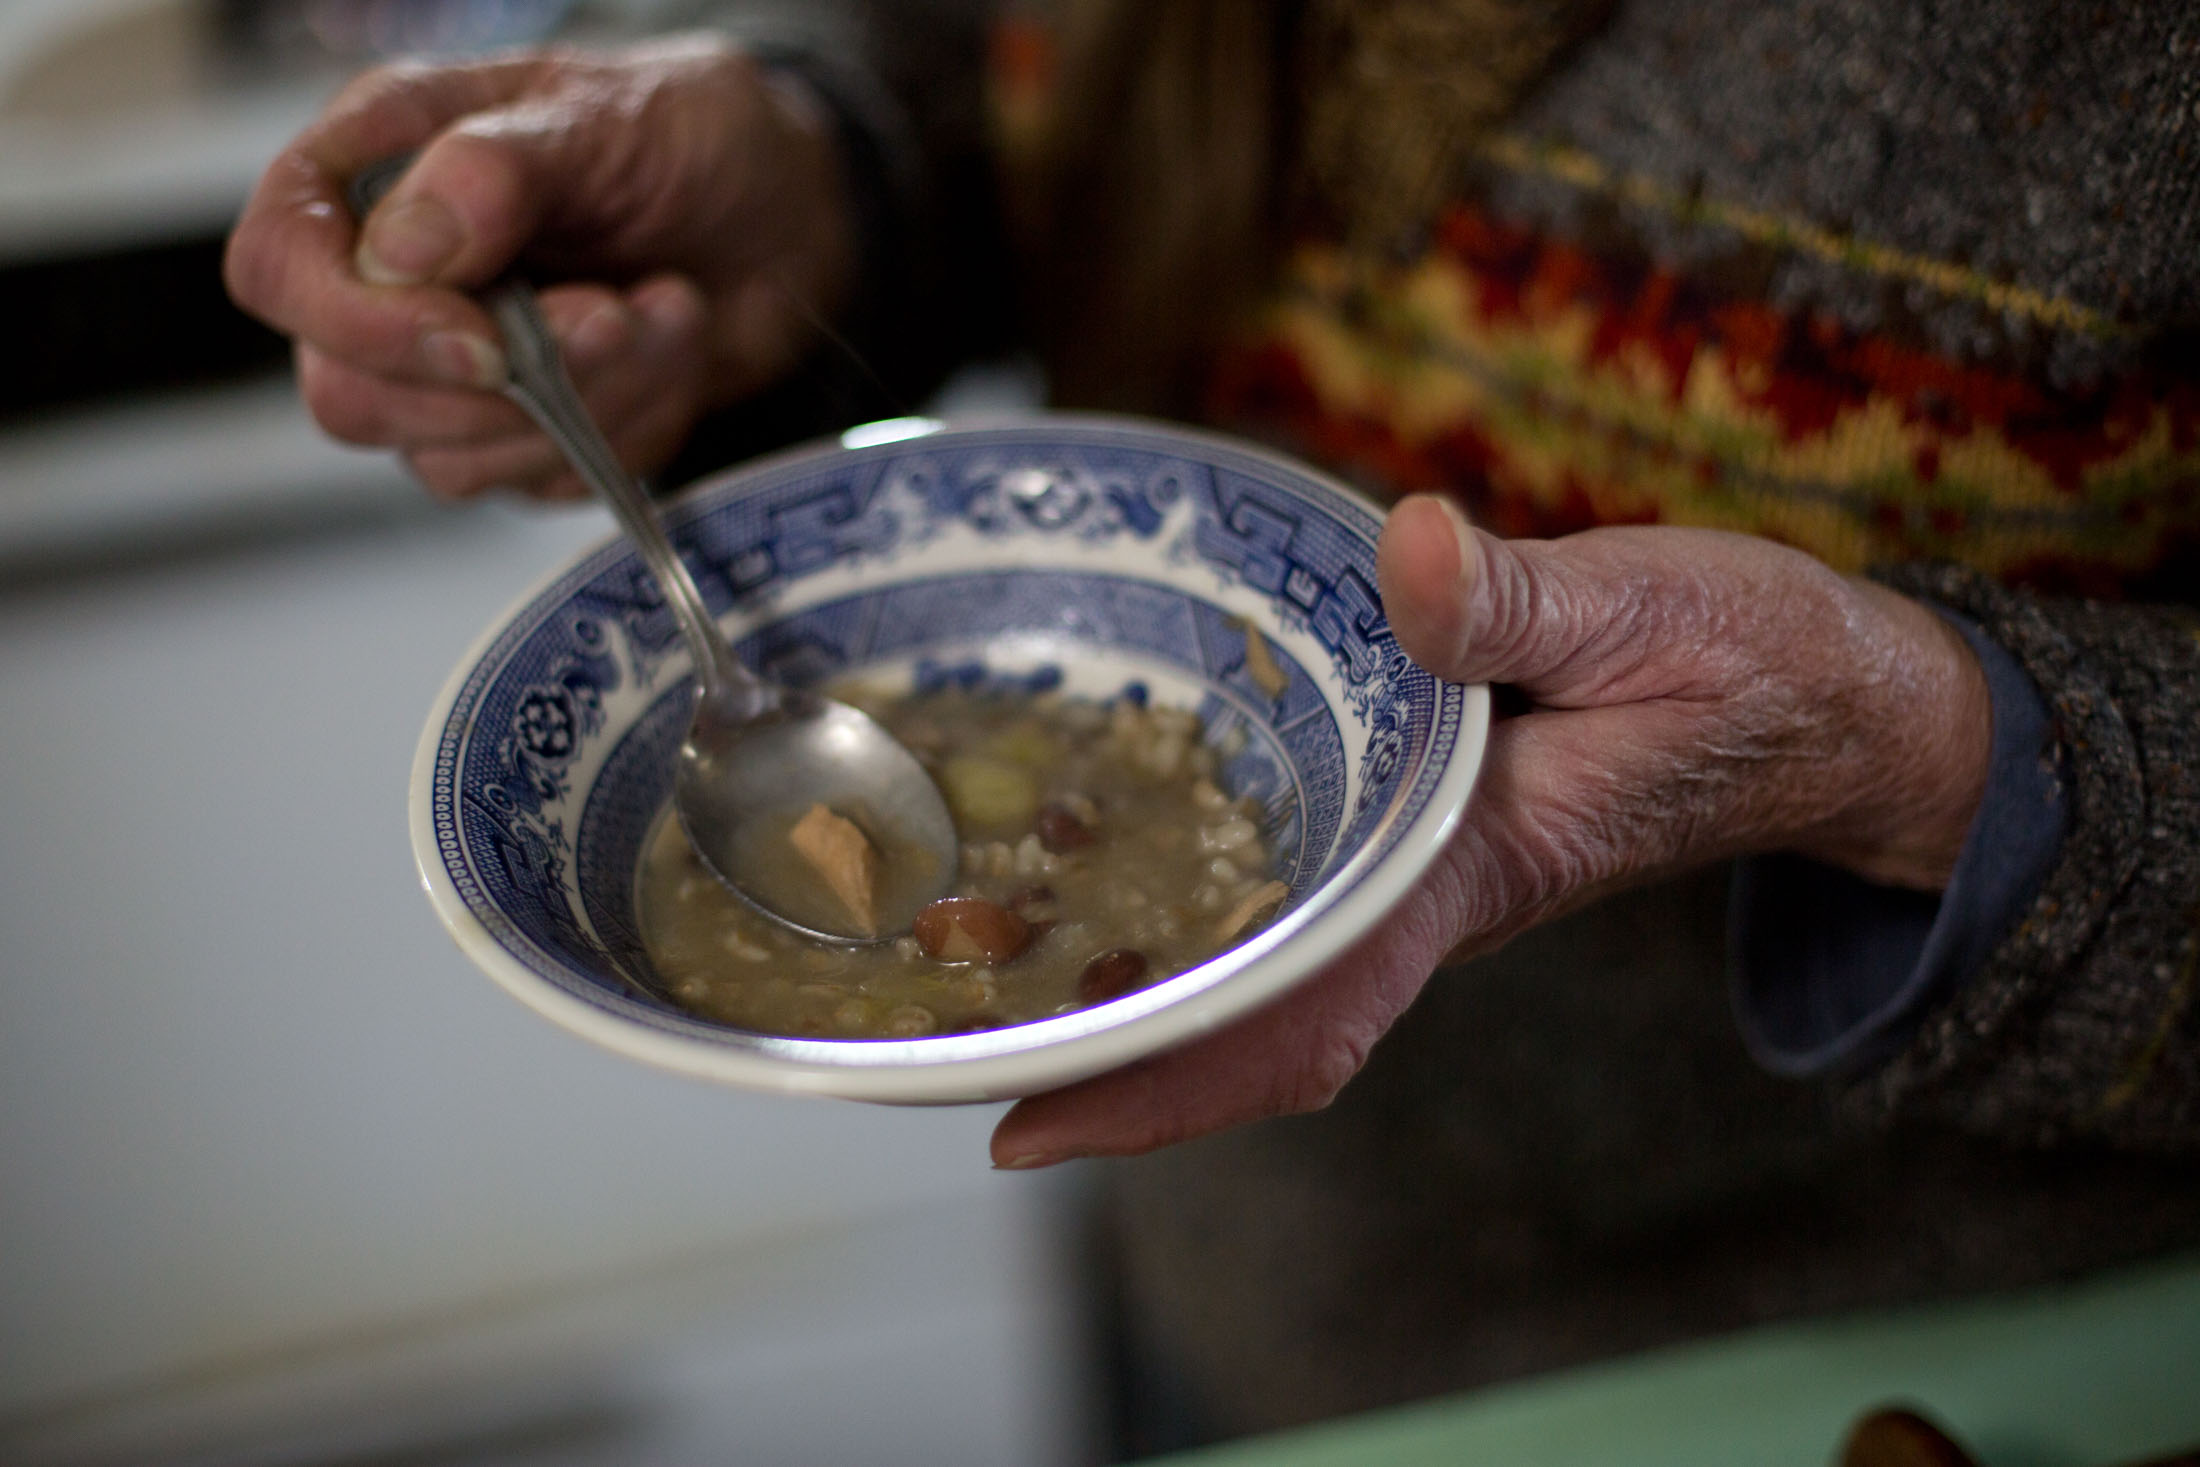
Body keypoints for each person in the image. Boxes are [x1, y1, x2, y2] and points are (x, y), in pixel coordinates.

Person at [225, 0, 2200, 1448]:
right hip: (1250, 1278)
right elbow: (1005, 79)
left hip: (1957, 1361)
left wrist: (1946, 759)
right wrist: (822, 169)